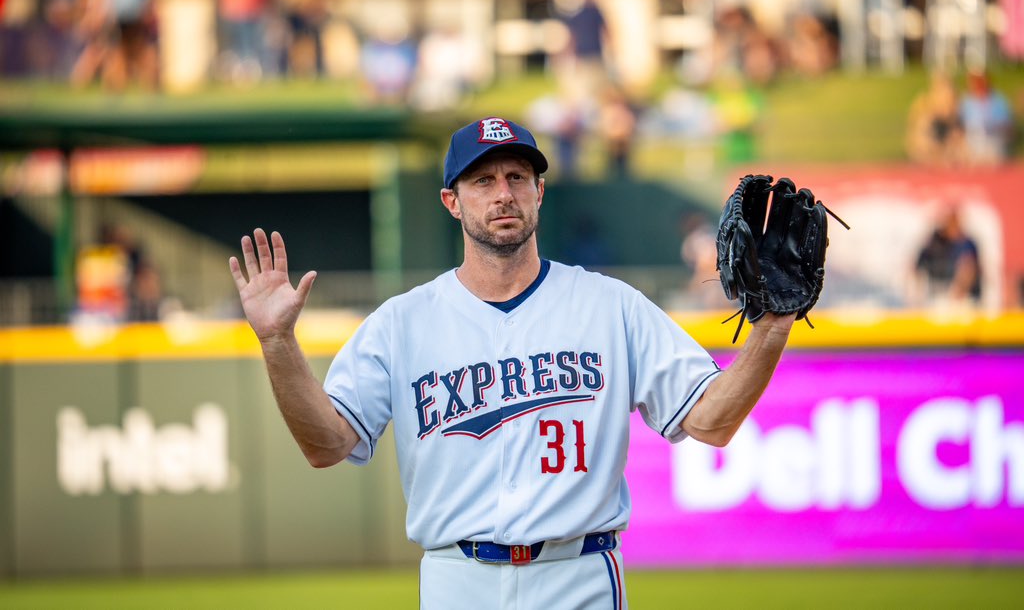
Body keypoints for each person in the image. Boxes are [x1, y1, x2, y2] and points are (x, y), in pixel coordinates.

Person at [229, 117, 797, 609]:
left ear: (539, 191)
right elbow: (326, 445)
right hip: (457, 577)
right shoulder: (401, 322)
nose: (503, 193)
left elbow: (711, 422)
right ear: (452, 201)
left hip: (579, 574)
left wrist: (772, 327)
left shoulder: (611, 305)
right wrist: (277, 343)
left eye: (517, 177)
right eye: (483, 180)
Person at [912, 206, 982, 308]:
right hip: (937, 297)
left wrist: (958, 292)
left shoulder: (967, 244)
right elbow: (918, 267)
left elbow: (969, 268)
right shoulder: (935, 243)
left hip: (963, 300)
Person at [959, 68, 1015, 165]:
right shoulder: (967, 101)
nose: (976, 84)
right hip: (971, 141)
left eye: (979, 80)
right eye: (974, 81)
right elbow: (960, 124)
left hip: (993, 140)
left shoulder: (999, 101)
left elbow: (1008, 126)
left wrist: (992, 127)